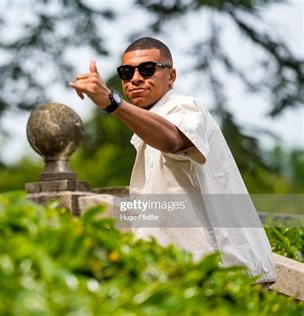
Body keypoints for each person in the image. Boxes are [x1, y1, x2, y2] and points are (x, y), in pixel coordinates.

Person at [69, 37, 276, 284]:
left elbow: (172, 139)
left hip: (223, 273)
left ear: (171, 76)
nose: (135, 78)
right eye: (126, 72)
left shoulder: (186, 108)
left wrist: (113, 103)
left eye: (147, 69)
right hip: (190, 277)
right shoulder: (148, 127)